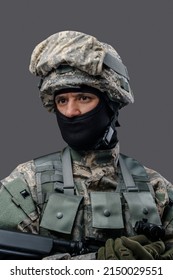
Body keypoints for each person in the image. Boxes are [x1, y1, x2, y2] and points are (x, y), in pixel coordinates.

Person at [0, 30, 173, 260]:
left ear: (110, 103)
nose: (71, 112)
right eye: (62, 100)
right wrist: (94, 264)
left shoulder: (156, 189)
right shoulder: (28, 185)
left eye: (83, 98)